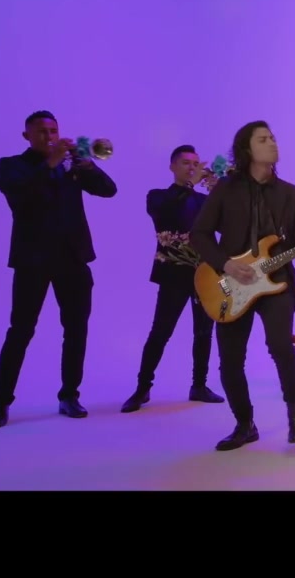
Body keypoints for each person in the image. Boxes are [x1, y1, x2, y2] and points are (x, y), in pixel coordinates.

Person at [189, 121, 295, 451]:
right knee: (230, 361)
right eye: (263, 139)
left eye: (273, 137)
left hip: (277, 282)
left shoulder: (293, 194)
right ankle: (245, 425)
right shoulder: (225, 189)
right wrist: (226, 264)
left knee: (281, 345)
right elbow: (199, 234)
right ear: (247, 149)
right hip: (230, 283)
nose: (272, 143)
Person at [0, 110, 118, 428]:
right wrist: (51, 163)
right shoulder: (11, 166)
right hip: (32, 261)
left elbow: (108, 190)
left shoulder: (71, 166)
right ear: (27, 136)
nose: (50, 137)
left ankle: (69, 396)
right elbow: (21, 197)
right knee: (20, 331)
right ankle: (1, 403)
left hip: (72, 259)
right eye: (42, 132)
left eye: (54, 131)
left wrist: (87, 165)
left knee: (76, 329)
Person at [120, 145, 225, 413]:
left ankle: (199, 386)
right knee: (161, 332)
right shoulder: (157, 196)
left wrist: (223, 193)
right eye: (186, 163)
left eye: (196, 164)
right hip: (174, 273)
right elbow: (167, 212)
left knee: (204, 332)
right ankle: (142, 388)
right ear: (172, 167)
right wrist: (190, 185)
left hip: (205, 274)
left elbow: (228, 226)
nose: (192, 168)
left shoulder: (205, 201)